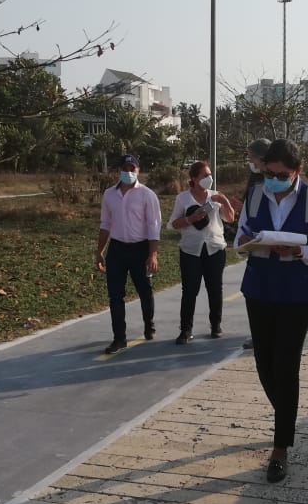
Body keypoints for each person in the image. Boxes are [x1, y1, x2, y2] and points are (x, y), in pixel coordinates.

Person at [235, 139, 308, 483]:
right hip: (259, 289)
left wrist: (298, 252)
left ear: (297, 172)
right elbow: (239, 242)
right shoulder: (255, 194)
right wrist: (250, 243)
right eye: (268, 173)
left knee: (286, 366)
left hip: (296, 293)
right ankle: (286, 417)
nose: (273, 179)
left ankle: (280, 448)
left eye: (281, 174)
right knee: (264, 364)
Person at [95, 155, 161, 354]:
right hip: (117, 249)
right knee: (115, 295)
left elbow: (154, 226)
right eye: (125, 168)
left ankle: (148, 324)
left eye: (133, 168)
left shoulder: (147, 195)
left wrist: (153, 254)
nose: (129, 172)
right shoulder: (109, 195)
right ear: (119, 170)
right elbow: (105, 224)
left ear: (138, 170)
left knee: (144, 290)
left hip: (140, 249)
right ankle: (119, 338)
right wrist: (99, 251)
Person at [169, 160, 235, 343]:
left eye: (210, 175)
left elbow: (230, 218)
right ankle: (185, 330)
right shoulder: (183, 198)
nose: (209, 178)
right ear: (194, 178)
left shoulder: (215, 197)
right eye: (204, 176)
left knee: (215, 289)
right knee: (190, 290)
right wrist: (190, 219)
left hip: (215, 249)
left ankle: (216, 326)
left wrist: (224, 201)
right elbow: (174, 223)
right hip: (191, 251)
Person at [236, 138, 270, 352]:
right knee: (258, 298)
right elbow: (247, 222)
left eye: (251, 157)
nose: (249, 161)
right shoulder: (255, 184)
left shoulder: (274, 183)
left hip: (276, 251)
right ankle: (259, 336)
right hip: (257, 253)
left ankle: (267, 337)